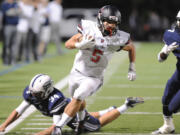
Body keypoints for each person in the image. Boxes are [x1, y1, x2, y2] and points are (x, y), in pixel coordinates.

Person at [53, 5, 137, 135]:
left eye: (114, 23)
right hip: (76, 72)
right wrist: (79, 44)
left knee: (78, 97)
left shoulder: (118, 39)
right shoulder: (89, 29)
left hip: (94, 77)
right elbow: (68, 44)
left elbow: (131, 48)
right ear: (100, 19)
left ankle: (58, 127)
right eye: (108, 21)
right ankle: (81, 123)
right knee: (78, 102)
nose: (111, 25)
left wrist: (132, 67)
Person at [0, 74, 144, 135]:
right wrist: (4, 125)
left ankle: (126, 105)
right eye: (33, 92)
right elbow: (18, 111)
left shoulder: (55, 100)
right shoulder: (33, 93)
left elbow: (55, 128)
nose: (33, 96)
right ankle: (107, 109)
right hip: (72, 111)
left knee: (96, 126)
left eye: (37, 94)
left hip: (71, 115)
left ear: (47, 90)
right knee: (84, 114)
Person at [152, 11, 180, 134]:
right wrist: (166, 51)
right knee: (167, 94)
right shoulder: (172, 35)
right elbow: (160, 58)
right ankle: (168, 126)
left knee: (174, 107)